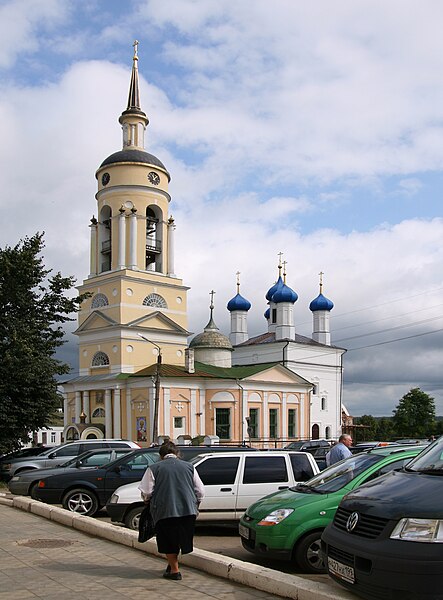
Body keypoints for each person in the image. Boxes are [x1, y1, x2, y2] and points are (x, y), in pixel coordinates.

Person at [138, 441, 205, 581]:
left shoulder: (154, 468)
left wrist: (147, 501)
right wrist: (195, 503)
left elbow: (147, 491)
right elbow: (200, 490)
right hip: (188, 510)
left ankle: (175, 571)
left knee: (168, 540)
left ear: (161, 456)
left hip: (164, 511)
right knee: (180, 538)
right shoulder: (189, 467)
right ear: (177, 454)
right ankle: (172, 565)